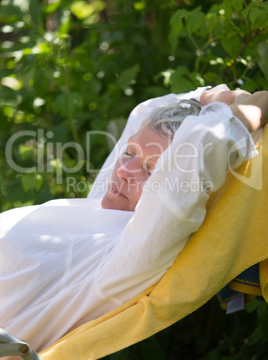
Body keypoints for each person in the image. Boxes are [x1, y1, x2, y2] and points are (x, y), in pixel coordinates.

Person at [0, 85, 267, 353]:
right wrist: (206, 97)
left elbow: (198, 147)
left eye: (152, 170)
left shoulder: (125, 255)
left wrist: (255, 106)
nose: (125, 170)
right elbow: (143, 114)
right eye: (129, 152)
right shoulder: (105, 206)